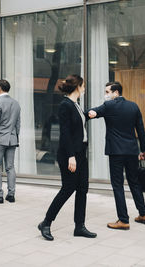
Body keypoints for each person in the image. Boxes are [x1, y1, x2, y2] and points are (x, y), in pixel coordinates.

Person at [38, 75, 96, 241]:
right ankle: (46, 223)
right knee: (68, 189)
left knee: (82, 189)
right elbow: (65, 133)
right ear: (77, 86)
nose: (85, 88)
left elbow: (77, 125)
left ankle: (79, 226)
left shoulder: (75, 105)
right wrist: (71, 156)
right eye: (83, 85)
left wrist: (89, 115)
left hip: (80, 152)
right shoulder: (65, 105)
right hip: (70, 154)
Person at [88, 81, 145, 230]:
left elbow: (92, 112)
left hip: (116, 152)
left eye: (108, 92)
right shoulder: (133, 106)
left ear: (116, 93)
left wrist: (89, 113)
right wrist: (143, 150)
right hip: (131, 151)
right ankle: (143, 213)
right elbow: (140, 130)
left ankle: (123, 220)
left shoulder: (109, 106)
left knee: (117, 185)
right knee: (134, 182)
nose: (106, 95)